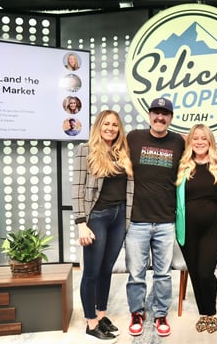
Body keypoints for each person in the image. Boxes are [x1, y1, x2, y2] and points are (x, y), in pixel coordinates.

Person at [125, 97, 185, 337]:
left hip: (165, 221)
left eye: (165, 113)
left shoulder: (179, 141)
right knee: (136, 274)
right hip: (137, 220)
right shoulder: (133, 137)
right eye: (156, 112)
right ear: (149, 114)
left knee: (163, 273)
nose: (160, 117)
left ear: (171, 118)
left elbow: (203, 149)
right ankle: (137, 312)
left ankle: (161, 314)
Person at [72, 110, 133, 341]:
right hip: (96, 217)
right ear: (98, 126)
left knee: (106, 269)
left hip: (118, 217)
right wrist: (81, 224)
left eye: (115, 125)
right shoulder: (85, 151)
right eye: (106, 124)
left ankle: (101, 315)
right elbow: (77, 189)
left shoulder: (122, 152)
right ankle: (90, 323)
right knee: (91, 271)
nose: (110, 128)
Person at [175, 124, 217, 334]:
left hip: (216, 227)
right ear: (189, 141)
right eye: (195, 138)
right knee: (194, 271)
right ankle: (204, 314)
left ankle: (210, 311)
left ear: (211, 141)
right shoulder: (182, 165)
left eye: (204, 138)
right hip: (187, 228)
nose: (200, 142)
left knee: (204, 272)